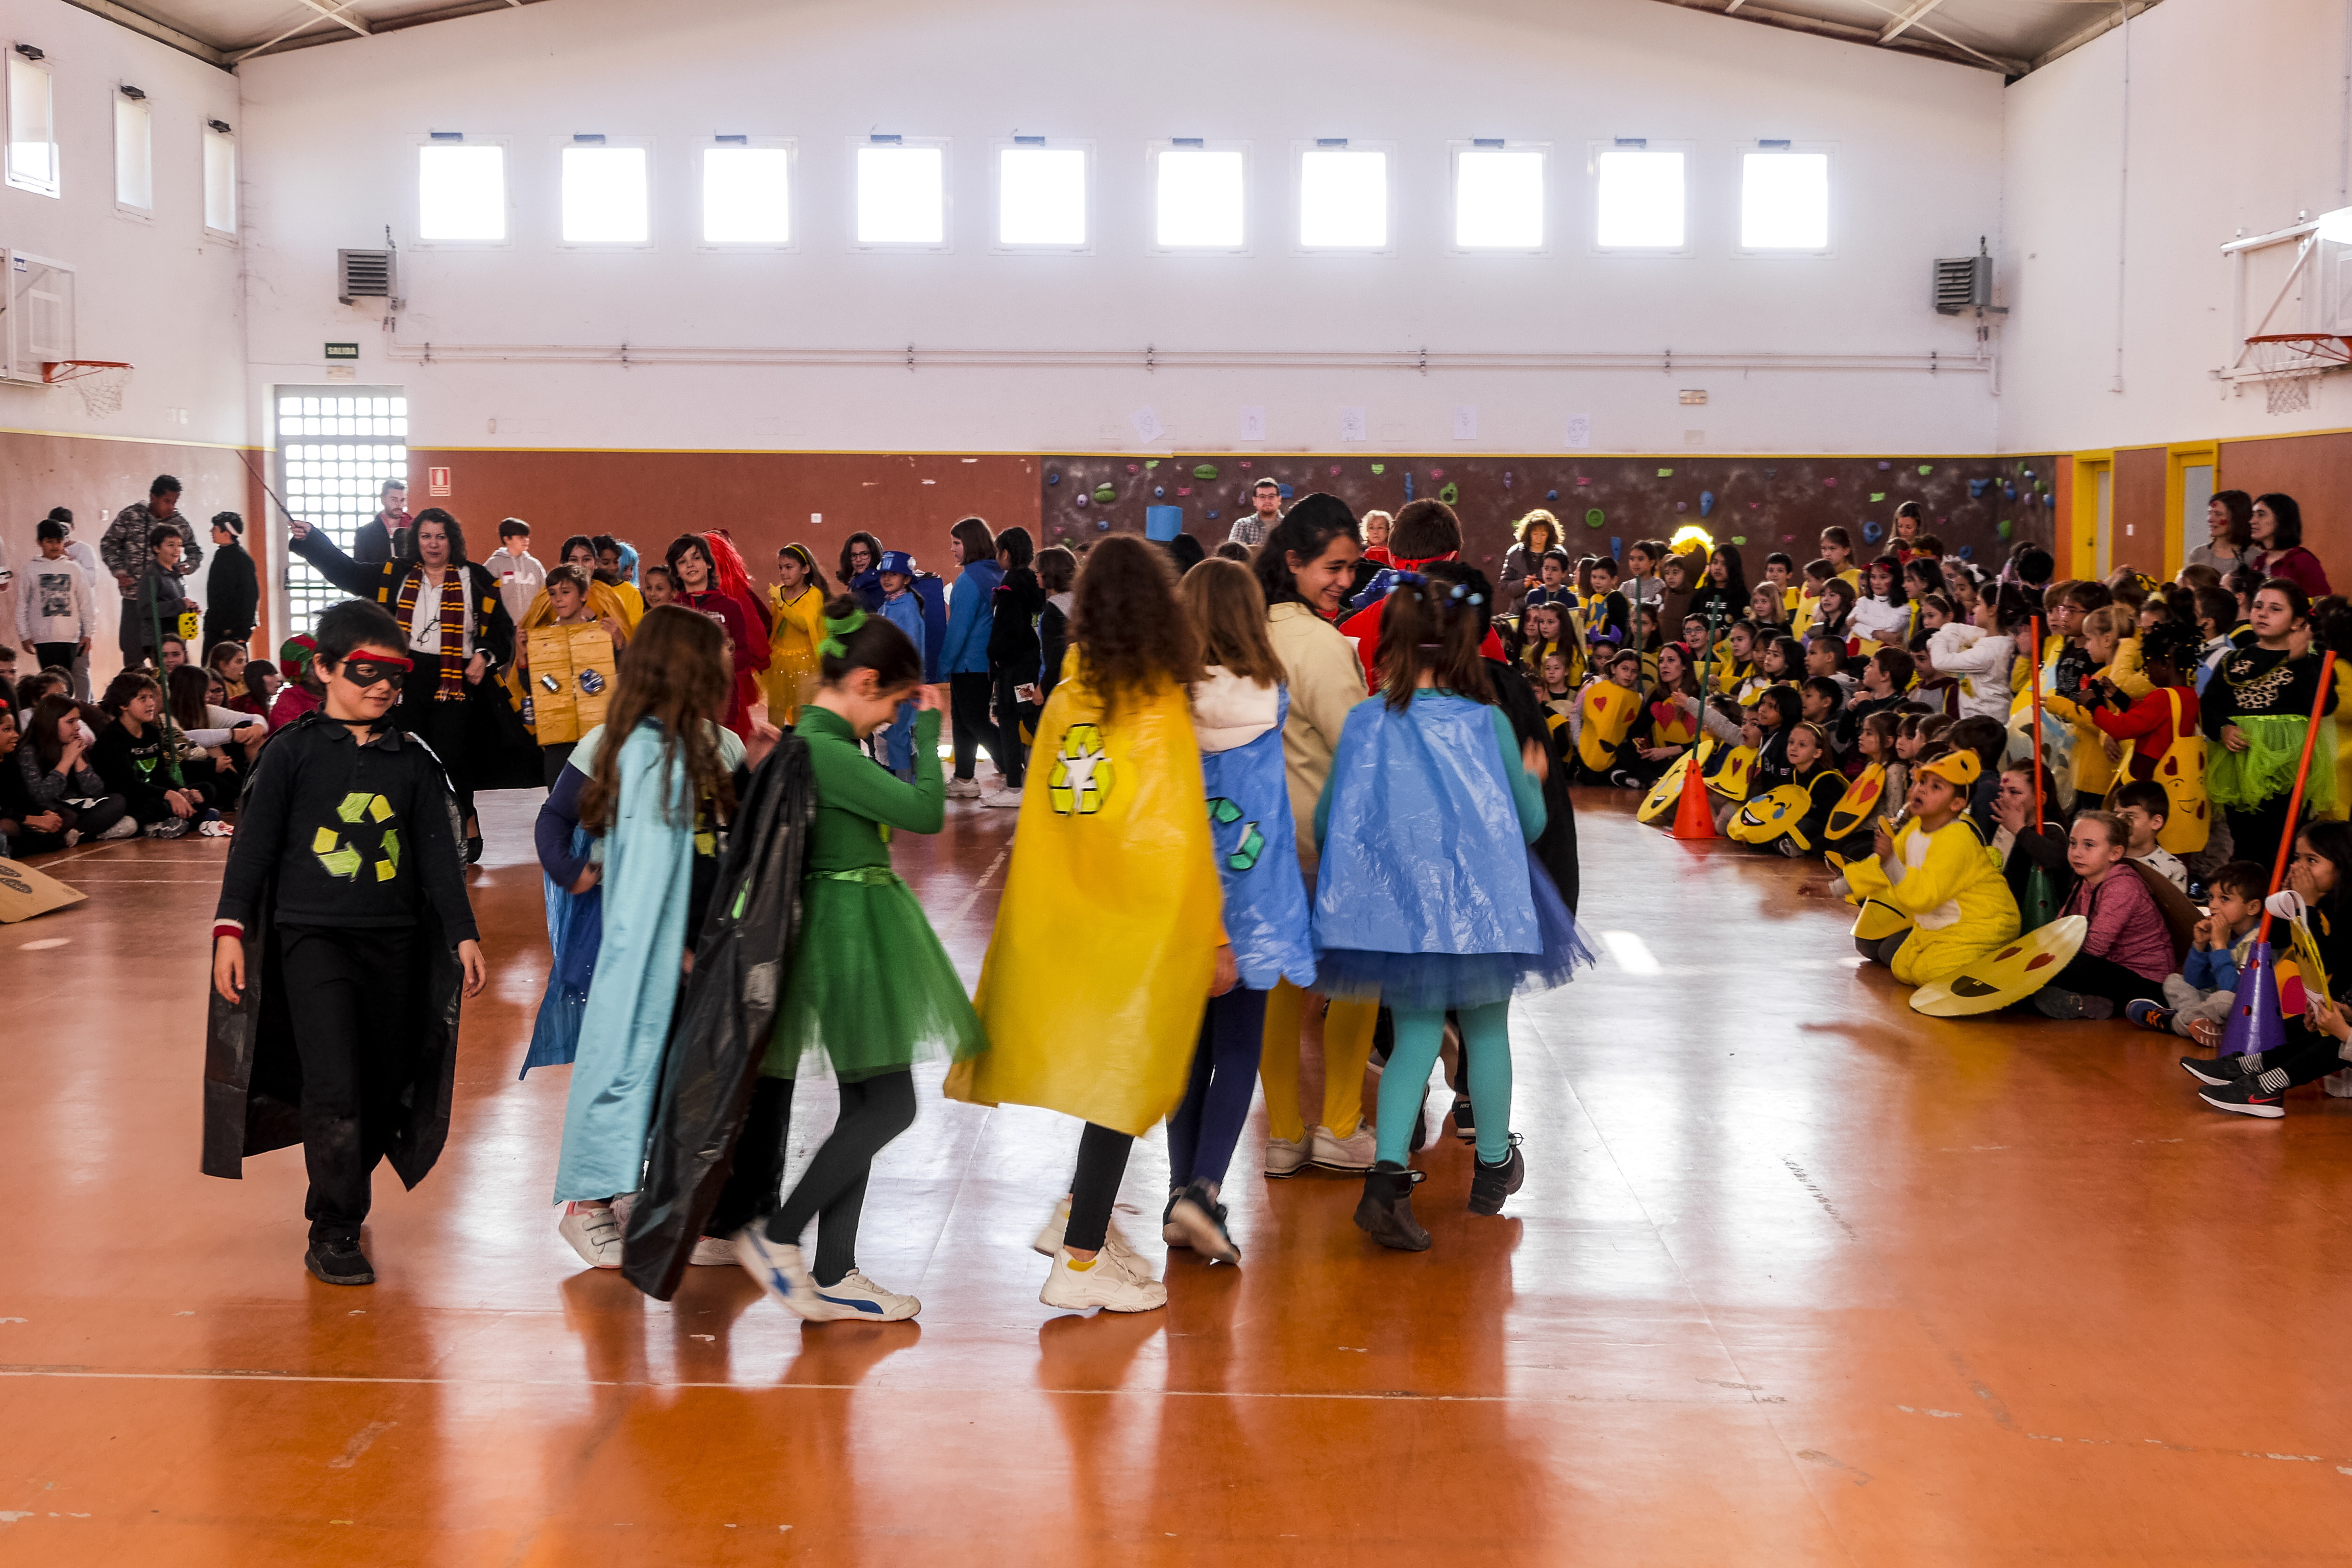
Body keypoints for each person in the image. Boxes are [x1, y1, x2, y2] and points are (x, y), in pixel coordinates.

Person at [947, 536, 1228, 1313]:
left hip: (1067, 912)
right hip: (1136, 922)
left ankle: (1078, 1215)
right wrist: (1212, 934)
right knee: (1127, 1079)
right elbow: (1177, 830)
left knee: (1114, 1076)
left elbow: (1044, 819)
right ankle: (1077, 1262)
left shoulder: (1067, 698)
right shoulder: (1158, 705)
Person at [207, 598, 486, 1287]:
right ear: (326, 670)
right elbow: (253, 849)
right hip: (313, 940)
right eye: (366, 671)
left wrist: (463, 933)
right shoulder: (291, 753)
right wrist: (229, 929)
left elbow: (437, 856)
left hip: (395, 945)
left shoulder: (412, 760)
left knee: (382, 1082)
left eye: (396, 675)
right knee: (333, 1083)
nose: (383, 687)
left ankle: (338, 1192)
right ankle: (334, 1227)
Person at [1312, 566, 1592, 1250]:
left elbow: (1326, 824)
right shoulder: (1488, 722)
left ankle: (1387, 1181)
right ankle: (1493, 1167)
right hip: (1482, 910)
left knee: (1412, 1038)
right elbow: (1528, 825)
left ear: (1391, 643)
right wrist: (1533, 778)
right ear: (1467, 642)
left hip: (1399, 910)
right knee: (1487, 1030)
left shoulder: (1365, 722)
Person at [731, 600, 983, 1321]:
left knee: (867, 1105)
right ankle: (779, 1236)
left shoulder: (813, 742)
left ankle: (835, 1268)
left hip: (847, 931)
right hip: (849, 934)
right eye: (894, 704)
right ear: (866, 683)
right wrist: (931, 728)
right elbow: (926, 813)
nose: (896, 717)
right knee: (893, 1104)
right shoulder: (828, 752)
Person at [551, 605, 745, 1268]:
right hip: (646, 949)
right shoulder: (643, 752)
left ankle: (664, 1203)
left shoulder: (697, 746)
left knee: (673, 1079)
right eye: (716, 651)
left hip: (683, 945)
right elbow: (642, 871)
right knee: (622, 1070)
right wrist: (672, 950)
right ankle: (588, 1206)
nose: (727, 659)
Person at [1158, 558, 1317, 1263]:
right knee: (1238, 1048)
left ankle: (1177, 1195)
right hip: (1254, 895)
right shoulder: (1271, 693)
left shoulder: (1168, 701)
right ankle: (1204, 1191)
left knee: (1189, 1050)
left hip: (1186, 887)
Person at [1247, 495, 1387, 1175]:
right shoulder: (1322, 646)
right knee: (1357, 978)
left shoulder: (1243, 632)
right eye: (1334, 567)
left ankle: (1283, 1135)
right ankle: (1340, 1126)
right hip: (1324, 841)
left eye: (1353, 568)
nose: (1346, 581)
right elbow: (1359, 748)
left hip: (1254, 844)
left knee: (1276, 985)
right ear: (1294, 561)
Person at [288, 508, 516, 861]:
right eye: (426, 536)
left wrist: (483, 656)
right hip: (404, 679)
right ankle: (413, 830)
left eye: (440, 537)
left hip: (455, 680)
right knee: (406, 756)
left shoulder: (477, 578)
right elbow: (348, 573)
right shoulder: (397, 574)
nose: (433, 544)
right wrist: (313, 540)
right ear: (416, 540)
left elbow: (502, 630)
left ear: (452, 541)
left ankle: (466, 821)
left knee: (453, 758)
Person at [2184, 823, 2352, 1115]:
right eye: (2297, 859)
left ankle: (2265, 1088)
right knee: (2304, 1024)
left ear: (2342, 864)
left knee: (2333, 1035)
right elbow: (2281, 941)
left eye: (2311, 860)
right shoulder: (2333, 904)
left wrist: (2308, 906)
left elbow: (2324, 961)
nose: (2299, 868)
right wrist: (2291, 904)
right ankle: (2249, 1067)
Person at [1845, 750, 2020, 985]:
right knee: (1902, 968)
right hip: (1941, 924)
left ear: (1957, 803)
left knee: (1926, 973)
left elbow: (1924, 896)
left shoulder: (1957, 838)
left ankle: (2003, 969)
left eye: (1936, 787)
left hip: (1984, 924)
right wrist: (1836, 887)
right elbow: (1877, 868)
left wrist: (1890, 862)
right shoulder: (1915, 827)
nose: (1922, 789)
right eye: (1922, 781)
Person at [2202, 580, 2337, 872]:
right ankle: (2250, 893)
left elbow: (2324, 705)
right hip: (2241, 765)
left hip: (2288, 768)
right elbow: (2210, 704)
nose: (2263, 613)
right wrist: (2222, 728)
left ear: (2297, 621)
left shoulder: (2311, 662)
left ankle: (2280, 896)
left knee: (2282, 844)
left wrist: (2299, 660)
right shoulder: (2233, 660)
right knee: (2245, 842)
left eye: (2275, 609)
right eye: (2258, 606)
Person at [2030, 811, 2177, 1019]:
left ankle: (2102, 1004)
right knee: (2040, 961)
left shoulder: (2123, 886)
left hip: (2149, 984)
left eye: (2089, 845)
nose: (2077, 853)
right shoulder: (2086, 881)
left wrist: (2047, 964)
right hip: (2112, 969)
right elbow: (2061, 928)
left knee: (2063, 965)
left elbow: (2095, 948)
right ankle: (2094, 1004)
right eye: (2073, 844)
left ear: (2115, 854)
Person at [2127, 859, 2265, 1037]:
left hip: (2242, 1008)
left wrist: (2220, 946)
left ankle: (2172, 1023)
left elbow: (2237, 991)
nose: (2213, 905)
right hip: (2211, 1004)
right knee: (2174, 981)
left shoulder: (2259, 939)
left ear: (2252, 907)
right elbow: (2195, 982)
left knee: (2225, 1000)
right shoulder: (2224, 931)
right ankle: (2200, 1023)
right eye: (2212, 897)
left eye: (2225, 899)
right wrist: (2199, 946)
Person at [521, 565, 626, 783]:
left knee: (598, 792)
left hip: (596, 732)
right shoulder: (541, 639)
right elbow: (531, 686)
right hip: (558, 734)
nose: (558, 599)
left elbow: (622, 678)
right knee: (559, 790)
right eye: (553, 594)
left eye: (566, 592)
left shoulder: (601, 633)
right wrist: (522, 655)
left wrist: (619, 643)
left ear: (584, 595)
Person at [664, 532, 768, 738]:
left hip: (724, 703)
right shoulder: (673, 610)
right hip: (685, 705)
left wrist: (723, 661)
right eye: (682, 561)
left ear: (709, 564)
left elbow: (745, 654)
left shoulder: (731, 607)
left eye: (696, 558)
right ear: (676, 571)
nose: (690, 565)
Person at [7, 692, 130, 848]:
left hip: (75, 806)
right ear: (51, 723)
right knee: (67, 817)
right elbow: (40, 797)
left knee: (117, 801)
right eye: (71, 722)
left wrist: (78, 759)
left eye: (78, 721)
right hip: (47, 811)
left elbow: (95, 791)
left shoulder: (71, 744)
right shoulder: (28, 751)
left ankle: (74, 833)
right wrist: (66, 762)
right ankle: (77, 834)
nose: (77, 727)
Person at [939, 517, 1004, 796]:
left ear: (971, 543)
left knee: (974, 721)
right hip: (985, 663)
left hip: (967, 664)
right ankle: (964, 779)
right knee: (965, 720)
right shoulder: (995, 574)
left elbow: (958, 629)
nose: (953, 549)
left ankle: (1016, 766)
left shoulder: (968, 580)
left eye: (957, 543)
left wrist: (943, 664)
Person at [101, 475, 202, 605]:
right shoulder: (131, 516)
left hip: (168, 600)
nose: (171, 507)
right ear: (153, 498)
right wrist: (120, 571)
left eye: (174, 503)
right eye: (167, 501)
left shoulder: (179, 524)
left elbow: (195, 552)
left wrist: (186, 567)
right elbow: (109, 545)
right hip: (134, 597)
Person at [17, 519, 92, 677]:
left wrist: (88, 633)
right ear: (39, 542)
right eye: (49, 541)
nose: (55, 546)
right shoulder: (30, 569)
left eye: (59, 541)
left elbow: (85, 603)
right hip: (43, 638)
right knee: (49, 679)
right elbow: (22, 605)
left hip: (70, 637)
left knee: (67, 679)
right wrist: (24, 634)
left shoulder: (74, 569)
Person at [763, 543, 827, 726]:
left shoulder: (813, 595)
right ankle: (775, 743)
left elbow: (804, 625)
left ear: (806, 569)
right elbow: (776, 626)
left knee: (801, 714)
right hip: (779, 660)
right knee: (775, 712)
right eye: (781, 568)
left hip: (804, 663)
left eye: (789, 567)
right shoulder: (781, 592)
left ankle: (800, 743)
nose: (783, 573)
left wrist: (782, 604)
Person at [119, 525, 197, 672]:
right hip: (160, 640)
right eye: (171, 545)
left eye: (180, 546)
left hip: (176, 637)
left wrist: (188, 607)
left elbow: (175, 603)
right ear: (156, 548)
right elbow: (146, 609)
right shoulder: (152, 576)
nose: (177, 550)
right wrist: (179, 604)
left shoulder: (176, 573)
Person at [2246, 494, 2330, 598]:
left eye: (2261, 515)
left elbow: (2321, 602)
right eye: (2253, 515)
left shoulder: (2303, 561)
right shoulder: (2259, 561)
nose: (2252, 521)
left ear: (2282, 519)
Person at [202, 512, 258, 655]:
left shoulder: (241, 559)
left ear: (226, 534)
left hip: (232, 631)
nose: (211, 531)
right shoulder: (221, 554)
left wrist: (243, 632)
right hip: (216, 627)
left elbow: (250, 596)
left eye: (215, 528)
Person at [483, 518, 547, 627]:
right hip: (503, 628)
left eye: (527, 537)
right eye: (521, 537)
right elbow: (484, 595)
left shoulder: (535, 565)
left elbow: (545, 594)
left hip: (533, 626)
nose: (526, 540)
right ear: (507, 539)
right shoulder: (494, 564)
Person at [1499, 510, 1562, 613]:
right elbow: (1504, 586)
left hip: (1551, 610)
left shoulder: (1559, 554)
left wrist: (1547, 589)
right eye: (1535, 534)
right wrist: (1523, 584)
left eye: (1543, 535)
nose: (1538, 540)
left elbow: (1567, 585)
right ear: (1529, 533)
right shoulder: (1515, 553)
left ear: (1549, 535)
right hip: (1521, 610)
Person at [1036, 545, 1075, 706]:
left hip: (1058, 685)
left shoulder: (1053, 612)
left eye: (1040, 571)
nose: (1037, 575)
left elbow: (1055, 657)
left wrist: (1043, 687)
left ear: (1050, 574)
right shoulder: (1080, 601)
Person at [2187, 491, 2254, 578]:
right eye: (2210, 513)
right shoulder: (2198, 554)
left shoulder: (2255, 558)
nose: (2210, 519)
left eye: (2218, 514)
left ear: (2238, 518)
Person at [268, 635, 325, 731]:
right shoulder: (289, 700)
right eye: (313, 667)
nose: (323, 670)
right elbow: (298, 736)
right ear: (301, 674)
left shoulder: (331, 693)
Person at [353, 479, 412, 565]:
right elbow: (360, 568)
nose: (399, 505)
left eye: (402, 500)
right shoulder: (365, 534)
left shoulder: (414, 530)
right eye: (394, 500)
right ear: (383, 500)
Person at [836, 532, 885, 610]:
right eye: (854, 555)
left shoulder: (880, 584)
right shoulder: (857, 581)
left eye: (864, 554)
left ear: (873, 555)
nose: (858, 560)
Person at [1230, 477, 1282, 549]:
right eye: (1262, 497)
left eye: (1271, 497)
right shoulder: (1242, 525)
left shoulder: (1289, 525)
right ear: (1255, 501)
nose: (1267, 501)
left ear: (1279, 500)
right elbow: (1232, 554)